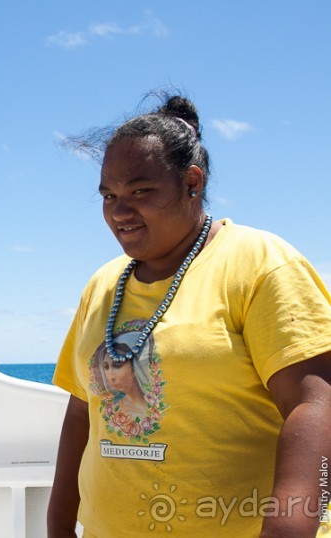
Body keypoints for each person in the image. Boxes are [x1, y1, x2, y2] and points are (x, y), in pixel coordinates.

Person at [47, 94, 331, 537]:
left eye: (141, 192)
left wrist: (288, 529)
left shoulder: (259, 263)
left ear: (192, 182)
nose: (120, 212)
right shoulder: (102, 284)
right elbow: (81, 414)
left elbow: (316, 403)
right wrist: (60, 527)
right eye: (109, 196)